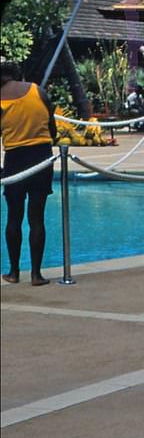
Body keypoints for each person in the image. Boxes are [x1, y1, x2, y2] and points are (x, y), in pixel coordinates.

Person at [1, 60, 57, 286]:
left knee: (14, 217)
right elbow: (52, 129)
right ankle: (36, 274)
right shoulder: (38, 91)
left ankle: (14, 273)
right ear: (19, 75)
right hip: (42, 157)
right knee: (37, 218)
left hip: (15, 158)